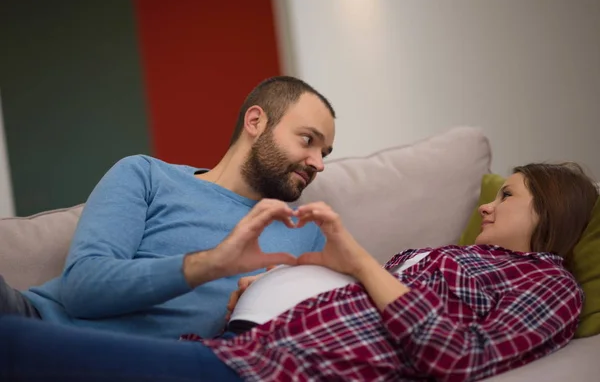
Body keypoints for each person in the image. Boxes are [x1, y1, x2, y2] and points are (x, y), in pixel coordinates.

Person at [0, 162, 597, 382]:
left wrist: (357, 259)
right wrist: (262, 294)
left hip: (277, 370)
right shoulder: (147, 173)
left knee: (15, 344)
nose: (487, 205)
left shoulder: (550, 286)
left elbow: (457, 358)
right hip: (245, 346)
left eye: (509, 196)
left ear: (551, 210)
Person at [0, 76, 336, 339]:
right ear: (255, 122)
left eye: (326, 153)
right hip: (34, 325)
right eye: (308, 140)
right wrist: (212, 264)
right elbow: (83, 289)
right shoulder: (146, 175)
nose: (318, 164)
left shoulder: (307, 232)